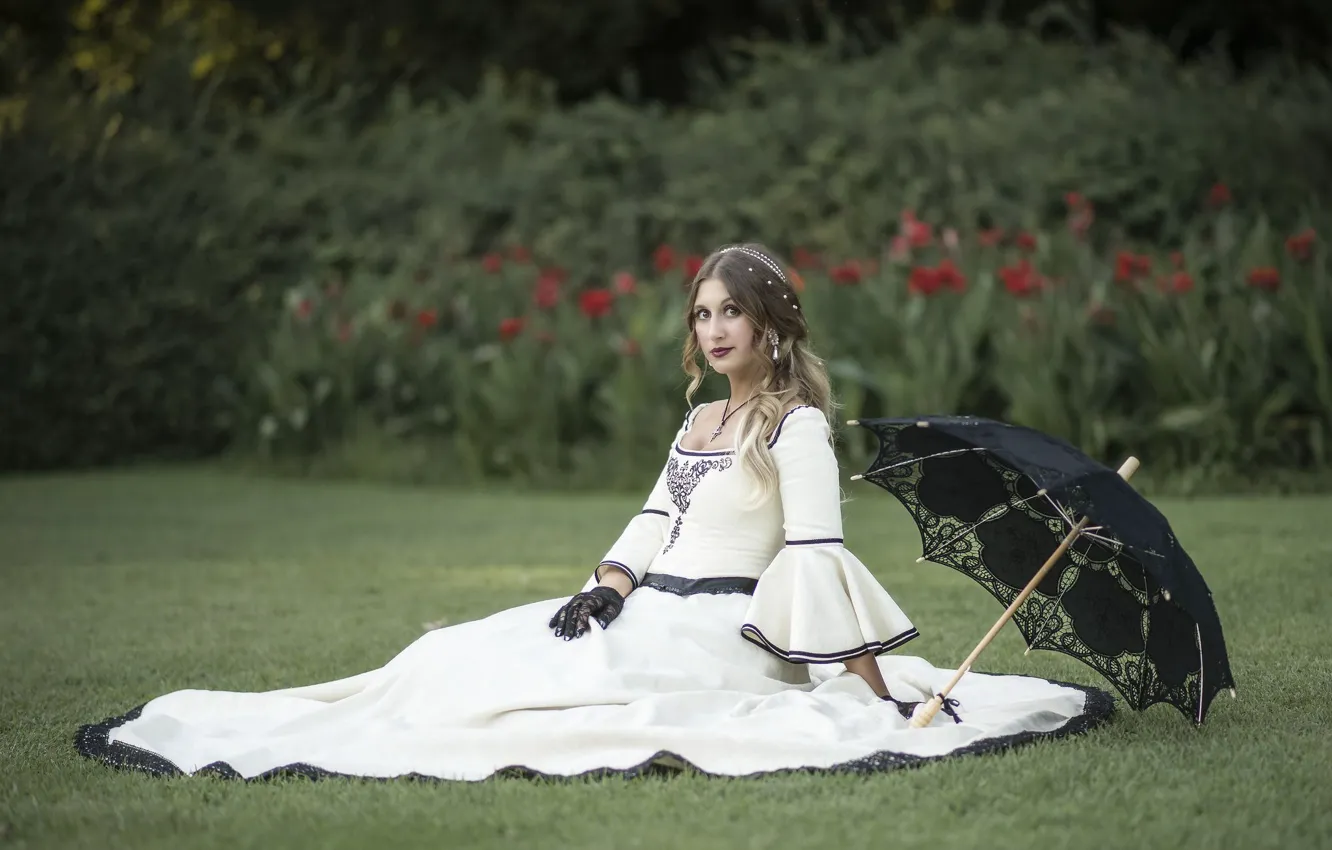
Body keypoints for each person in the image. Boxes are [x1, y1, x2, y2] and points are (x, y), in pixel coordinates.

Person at [76, 243, 1112, 782]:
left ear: (772, 321)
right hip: (647, 601)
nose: (712, 327)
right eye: (701, 312)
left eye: (731, 310)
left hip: (726, 628)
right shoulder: (701, 419)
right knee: (461, 655)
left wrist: (872, 687)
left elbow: (814, 561)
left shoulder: (795, 428)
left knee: (556, 695)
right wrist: (606, 585)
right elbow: (653, 517)